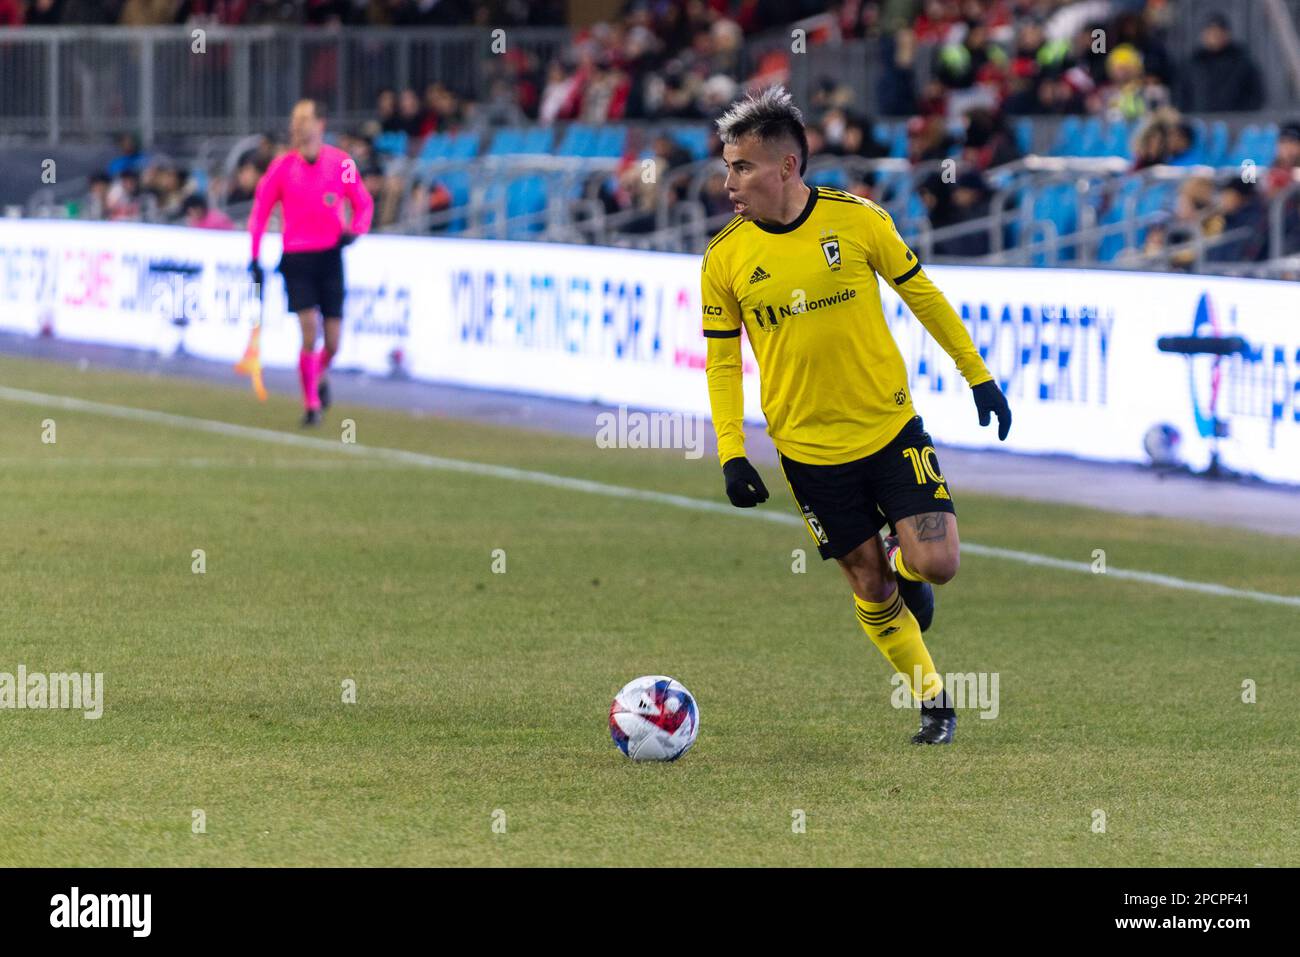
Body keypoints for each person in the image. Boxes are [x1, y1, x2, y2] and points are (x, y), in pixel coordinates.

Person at [702, 87, 1011, 746]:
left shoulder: (858, 220)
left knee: (938, 563)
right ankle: (934, 700)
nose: (729, 181)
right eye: (728, 167)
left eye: (742, 166)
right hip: (809, 453)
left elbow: (921, 294)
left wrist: (977, 375)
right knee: (868, 582)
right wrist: (732, 452)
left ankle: (910, 569)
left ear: (787, 166)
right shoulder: (724, 258)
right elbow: (723, 363)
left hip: (890, 429)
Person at [249, 99, 374, 426]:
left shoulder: (342, 163)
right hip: (297, 258)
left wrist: (355, 231)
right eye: (296, 120)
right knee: (309, 330)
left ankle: (317, 372)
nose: (301, 126)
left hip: (330, 256)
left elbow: (363, 204)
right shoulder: (281, 167)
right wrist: (254, 255)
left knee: (333, 341)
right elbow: (260, 212)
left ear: (321, 124)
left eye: (306, 119)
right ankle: (312, 404)